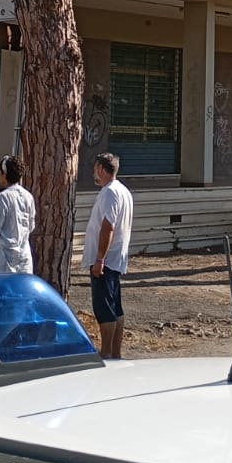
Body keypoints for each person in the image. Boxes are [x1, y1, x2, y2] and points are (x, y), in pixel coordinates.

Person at [82, 152, 133, 359]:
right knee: (115, 306)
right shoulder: (123, 191)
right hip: (116, 258)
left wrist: (100, 258)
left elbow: (108, 226)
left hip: (106, 259)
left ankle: (107, 352)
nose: (94, 173)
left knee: (104, 308)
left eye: (95, 169)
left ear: (101, 169)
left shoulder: (110, 192)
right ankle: (116, 352)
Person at [0, 154, 36, 274]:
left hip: (3, 257)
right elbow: (31, 226)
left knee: (2, 291)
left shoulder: (2, 197)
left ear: (5, 175)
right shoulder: (28, 196)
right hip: (23, 256)